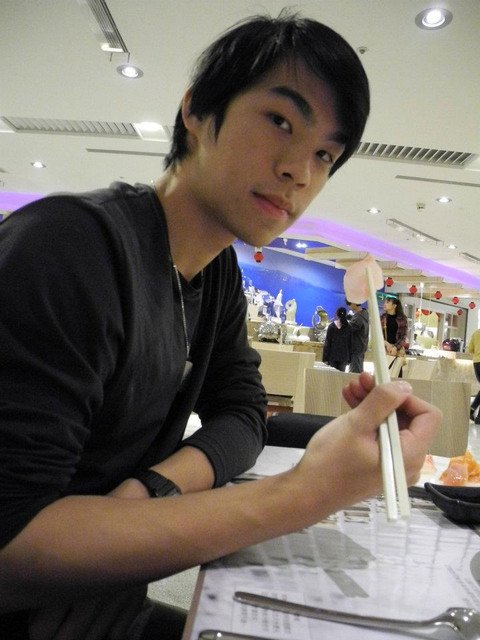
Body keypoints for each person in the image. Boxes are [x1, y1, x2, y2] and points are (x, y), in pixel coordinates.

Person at [0, 12, 440, 640]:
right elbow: (11, 547)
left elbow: (242, 414)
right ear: (197, 111)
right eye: (280, 121)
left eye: (325, 153)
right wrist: (306, 494)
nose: (300, 171)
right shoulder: (69, 247)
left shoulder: (217, 275)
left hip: (104, 605)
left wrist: (148, 492)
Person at [322, 306, 352, 371]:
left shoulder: (331, 326)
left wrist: (325, 358)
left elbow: (327, 343)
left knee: (332, 375)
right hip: (344, 356)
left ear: (336, 315)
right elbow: (350, 343)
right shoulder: (348, 327)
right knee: (341, 376)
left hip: (332, 356)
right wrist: (350, 359)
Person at [346, 299, 369, 373]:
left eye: (349, 304)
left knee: (354, 373)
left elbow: (348, 329)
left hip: (356, 349)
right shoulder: (364, 313)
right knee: (358, 371)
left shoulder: (358, 317)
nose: (348, 306)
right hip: (361, 348)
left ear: (353, 302)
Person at [467, 328, 480, 424]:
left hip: (476, 363)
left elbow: (470, 349)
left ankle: (478, 417)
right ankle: (472, 409)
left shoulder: (476, 333)